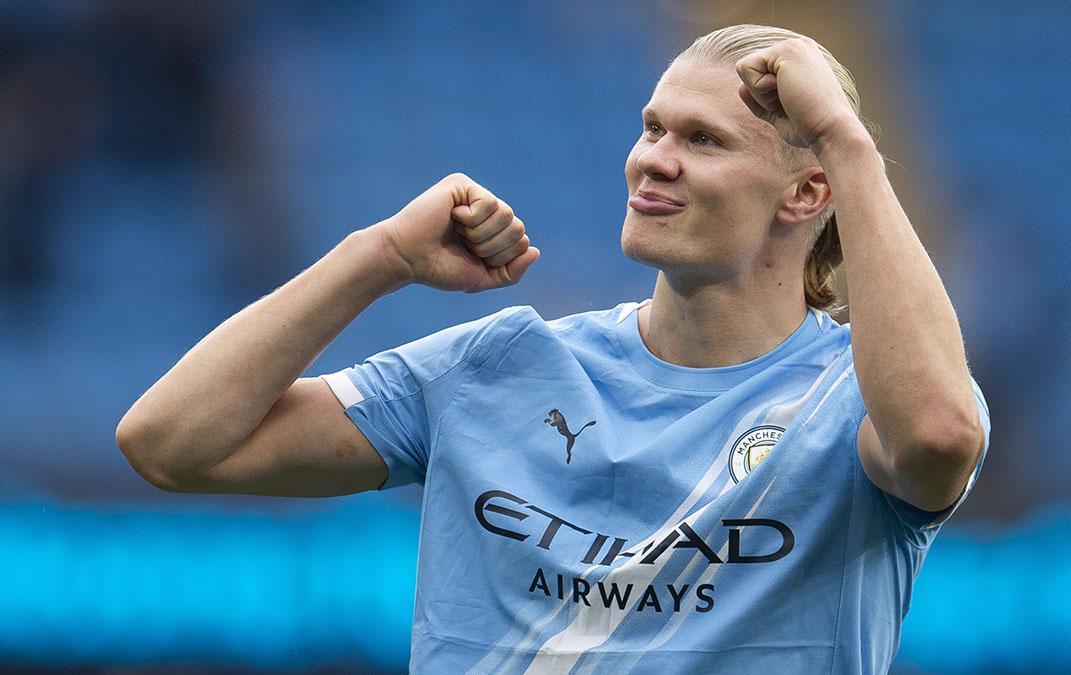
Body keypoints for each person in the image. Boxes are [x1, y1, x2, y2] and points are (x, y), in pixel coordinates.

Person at [116, 24, 990, 674]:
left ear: (808, 193)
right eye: (653, 128)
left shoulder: (855, 399)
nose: (653, 160)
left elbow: (938, 440)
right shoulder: (501, 365)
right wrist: (376, 256)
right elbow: (171, 442)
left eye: (703, 140)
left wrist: (847, 139)